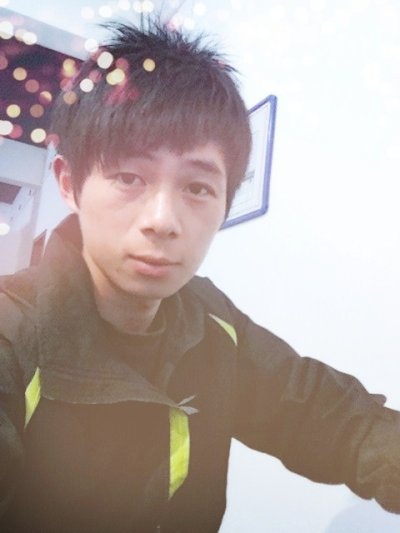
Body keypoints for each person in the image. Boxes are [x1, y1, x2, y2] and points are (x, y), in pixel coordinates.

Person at [0, 18, 399, 533]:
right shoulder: (13, 337)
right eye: (129, 177)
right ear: (69, 184)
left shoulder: (212, 320)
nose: (162, 220)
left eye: (197, 188)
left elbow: (333, 418)